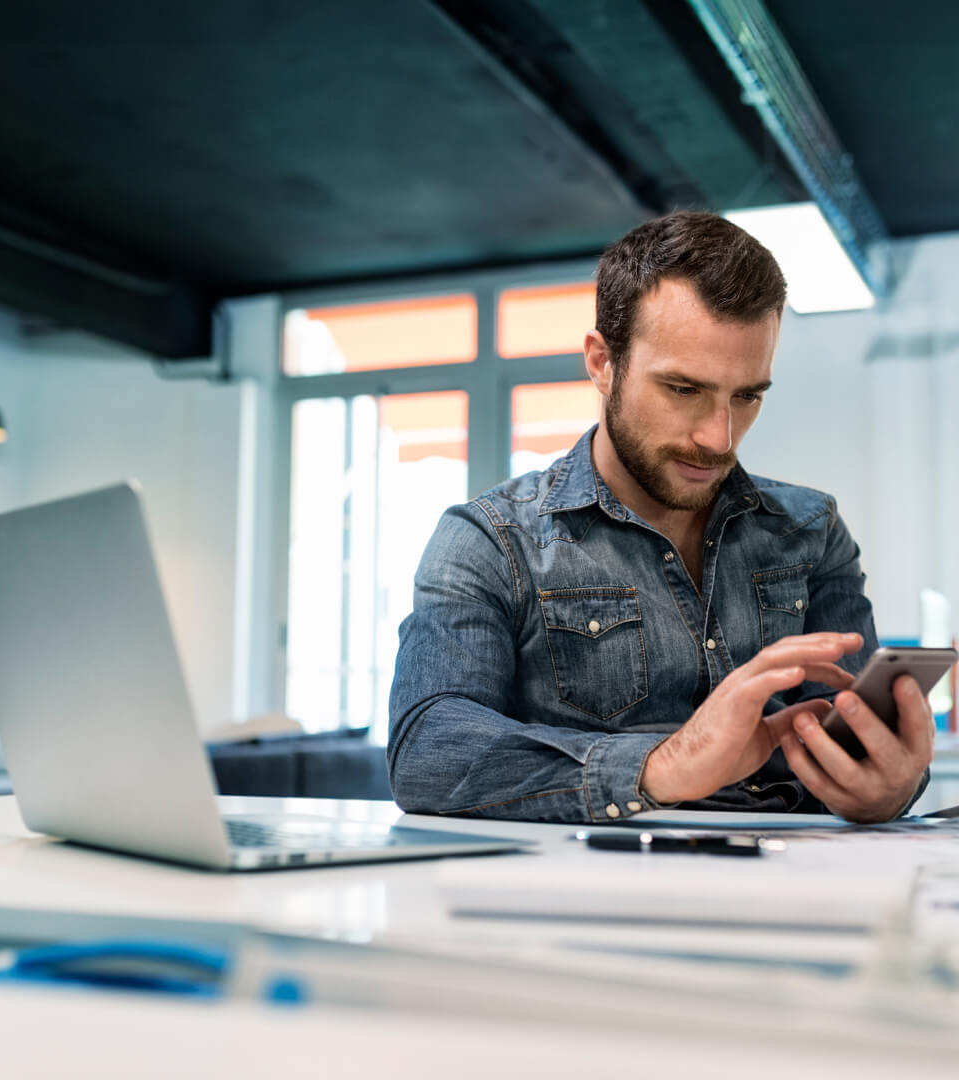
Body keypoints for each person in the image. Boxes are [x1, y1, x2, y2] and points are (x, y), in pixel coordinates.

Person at [387, 211, 930, 824]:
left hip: (792, 891)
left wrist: (888, 787)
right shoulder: (489, 541)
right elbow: (428, 751)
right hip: (588, 901)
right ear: (601, 362)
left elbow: (856, 739)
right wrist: (664, 766)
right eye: (683, 389)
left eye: (747, 395)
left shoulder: (812, 532)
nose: (719, 437)